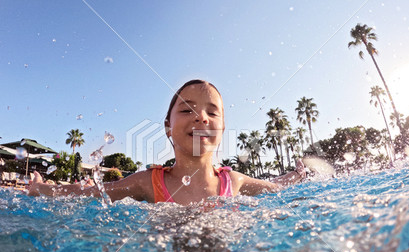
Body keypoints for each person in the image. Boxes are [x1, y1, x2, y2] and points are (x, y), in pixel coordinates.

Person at [29, 80, 306, 205]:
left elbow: (277, 186)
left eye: (212, 112)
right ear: (168, 129)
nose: (201, 117)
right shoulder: (147, 182)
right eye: (187, 110)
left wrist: (297, 175)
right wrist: (41, 188)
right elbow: (90, 194)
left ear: (222, 128)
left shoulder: (233, 182)